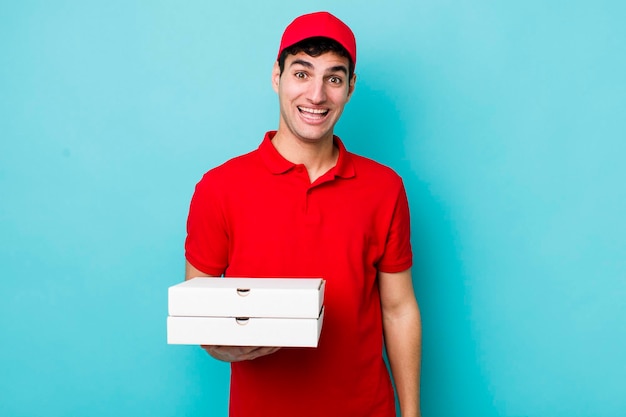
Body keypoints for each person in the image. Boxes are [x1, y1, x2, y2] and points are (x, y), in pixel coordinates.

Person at [184, 11, 422, 417]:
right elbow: (199, 308)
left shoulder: (384, 188)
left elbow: (398, 308)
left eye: (333, 78)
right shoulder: (219, 187)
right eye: (301, 73)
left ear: (350, 88)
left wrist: (412, 413)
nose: (316, 95)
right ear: (276, 77)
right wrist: (220, 344)